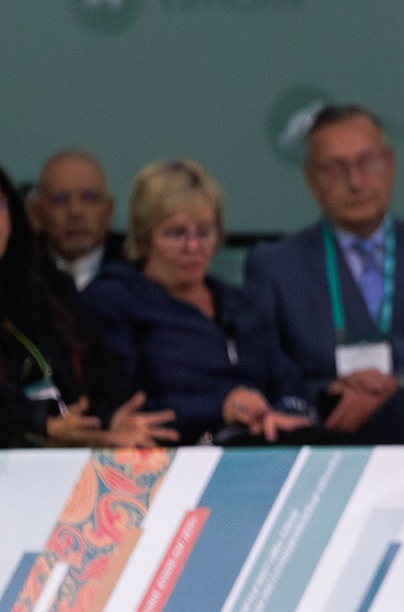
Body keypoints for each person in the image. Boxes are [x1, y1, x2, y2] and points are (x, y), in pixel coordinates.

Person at [243, 105, 404, 444]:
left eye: (367, 162)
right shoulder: (274, 267)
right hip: (323, 425)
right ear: (312, 178)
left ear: (390, 163)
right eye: (337, 169)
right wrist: (331, 389)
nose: (356, 182)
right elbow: (265, 369)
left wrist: (398, 382)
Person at [82, 160, 314, 444]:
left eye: (204, 232)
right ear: (145, 237)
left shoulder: (238, 304)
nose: (193, 247)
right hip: (173, 460)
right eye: (176, 233)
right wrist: (218, 408)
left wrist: (279, 413)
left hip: (258, 449)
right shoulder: (115, 300)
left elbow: (289, 383)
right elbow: (119, 408)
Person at [0, 158, 169, 449]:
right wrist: (39, 424)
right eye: (61, 199)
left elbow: (99, 369)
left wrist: (111, 418)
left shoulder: (38, 285)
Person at [30, 151, 127, 291]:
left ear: (109, 210)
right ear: (37, 211)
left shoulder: (139, 266)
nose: (75, 212)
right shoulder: (19, 269)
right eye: (60, 199)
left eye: (89, 198)